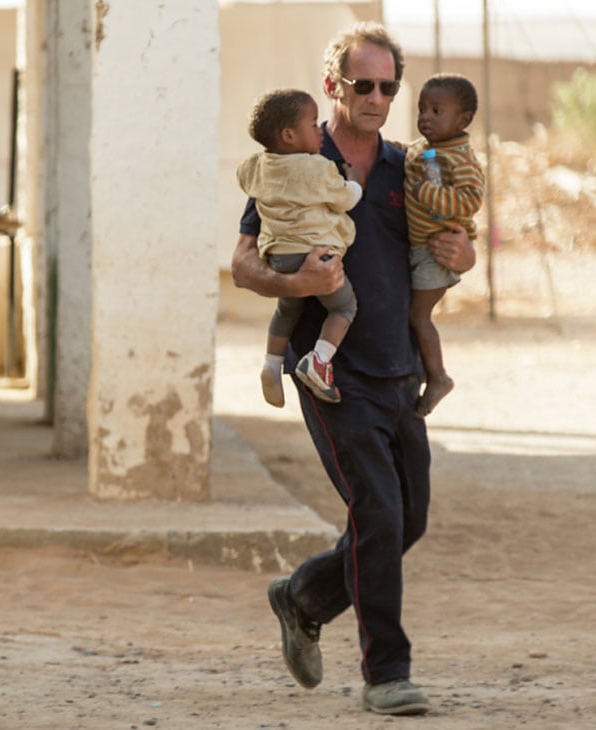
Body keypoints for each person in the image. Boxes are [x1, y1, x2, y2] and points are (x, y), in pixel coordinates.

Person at [230, 22, 475, 716]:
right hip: (330, 374)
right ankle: (386, 673)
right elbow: (244, 262)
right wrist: (293, 285)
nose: (376, 97)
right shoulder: (296, 159)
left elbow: (450, 247)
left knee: (409, 520)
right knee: (377, 511)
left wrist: (465, 254)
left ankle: (303, 596)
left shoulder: (410, 167)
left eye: (388, 87)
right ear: (333, 85)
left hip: (399, 371)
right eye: (362, 84)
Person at [237, 88, 363, 407]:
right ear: (290, 135)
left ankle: (271, 363)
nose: (319, 130)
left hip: (278, 257)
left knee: (286, 308)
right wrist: (354, 181)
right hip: (318, 256)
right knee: (343, 307)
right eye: (312, 123)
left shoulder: (255, 166)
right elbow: (344, 199)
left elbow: (244, 178)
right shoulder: (317, 168)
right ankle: (319, 360)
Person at [403, 73, 485, 417]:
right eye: (423, 109)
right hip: (419, 250)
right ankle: (423, 368)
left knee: (418, 315)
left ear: (463, 120)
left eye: (437, 110)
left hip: (435, 254)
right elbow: (407, 161)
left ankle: (438, 377)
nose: (426, 117)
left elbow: (469, 201)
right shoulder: (424, 149)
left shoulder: (461, 158)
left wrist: (426, 193)